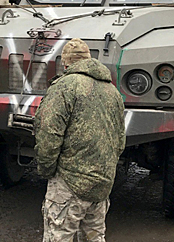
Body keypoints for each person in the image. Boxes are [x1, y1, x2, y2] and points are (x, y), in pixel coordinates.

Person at [34, 38, 126, 242]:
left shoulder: (64, 87)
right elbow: (120, 140)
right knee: (94, 237)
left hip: (69, 183)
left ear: (65, 63)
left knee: (58, 237)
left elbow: (49, 134)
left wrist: (46, 169)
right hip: (100, 185)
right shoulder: (112, 92)